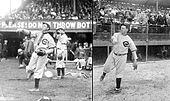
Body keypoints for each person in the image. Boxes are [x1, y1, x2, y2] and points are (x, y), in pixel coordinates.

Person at [17, 22, 55, 92]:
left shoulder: (49, 37)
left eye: (45, 26)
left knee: (39, 69)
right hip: (35, 52)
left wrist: (45, 52)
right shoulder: (38, 33)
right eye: (42, 25)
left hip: (42, 54)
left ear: (48, 28)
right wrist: (22, 30)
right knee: (30, 67)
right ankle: (32, 72)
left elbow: (52, 49)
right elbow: (29, 33)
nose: (43, 26)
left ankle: (36, 87)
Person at [99, 24, 138, 93]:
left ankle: (117, 88)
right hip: (113, 54)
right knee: (107, 66)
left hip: (122, 56)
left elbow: (133, 50)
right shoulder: (117, 34)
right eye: (121, 28)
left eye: (123, 28)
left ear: (127, 30)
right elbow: (113, 38)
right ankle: (103, 75)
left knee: (119, 71)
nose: (121, 29)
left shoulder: (129, 39)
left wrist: (135, 60)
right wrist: (113, 40)